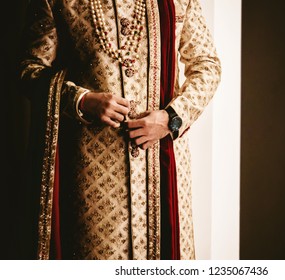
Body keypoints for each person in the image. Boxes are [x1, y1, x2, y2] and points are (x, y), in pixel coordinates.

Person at [19, 0, 221, 260]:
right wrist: (82, 100)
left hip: (163, 166)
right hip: (91, 176)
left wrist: (172, 118)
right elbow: (30, 69)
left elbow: (207, 66)